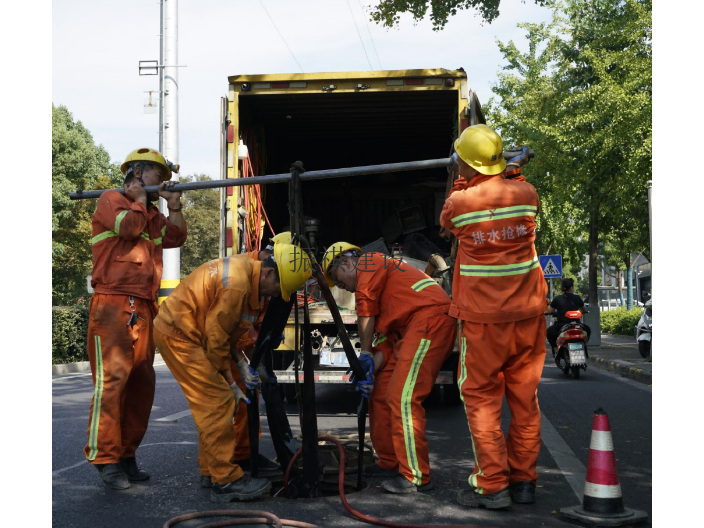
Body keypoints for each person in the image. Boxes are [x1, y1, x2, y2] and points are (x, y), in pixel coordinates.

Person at [440, 124, 548, 510]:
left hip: (484, 323)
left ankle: (493, 486)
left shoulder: (460, 203)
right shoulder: (527, 194)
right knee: (525, 402)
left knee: (483, 402)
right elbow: (511, 185)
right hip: (530, 318)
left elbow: (447, 222)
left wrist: (457, 177)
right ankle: (524, 483)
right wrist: (514, 169)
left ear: (464, 165)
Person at [153, 243, 311, 503]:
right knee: (218, 402)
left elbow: (228, 331)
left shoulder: (249, 279)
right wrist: (231, 382)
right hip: (180, 336)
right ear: (270, 274)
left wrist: (239, 362)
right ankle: (226, 481)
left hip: (191, 334)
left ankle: (210, 471)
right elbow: (216, 339)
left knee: (213, 405)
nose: (275, 296)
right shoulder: (238, 285)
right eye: (277, 289)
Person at [84, 148, 187, 490]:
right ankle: (105, 458)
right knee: (112, 384)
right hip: (112, 303)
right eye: (159, 175)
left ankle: (126, 454)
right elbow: (128, 228)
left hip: (143, 306)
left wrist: (174, 207)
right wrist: (140, 199)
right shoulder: (111, 200)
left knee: (142, 385)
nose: (163, 182)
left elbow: (177, 236)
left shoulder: (152, 214)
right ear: (139, 172)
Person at [321, 243, 456, 494]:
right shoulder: (388, 290)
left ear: (347, 263)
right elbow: (388, 341)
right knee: (381, 391)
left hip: (430, 321)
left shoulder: (369, 262)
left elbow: (366, 307)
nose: (341, 287)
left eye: (338, 280)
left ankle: (415, 475)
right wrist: (370, 370)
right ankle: (390, 461)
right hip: (411, 329)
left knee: (403, 398)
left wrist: (364, 352)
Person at [545, 277, 591, 363]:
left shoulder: (557, 299)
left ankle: (556, 349)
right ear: (571, 288)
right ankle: (584, 348)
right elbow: (584, 310)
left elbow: (548, 311)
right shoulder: (577, 298)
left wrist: (548, 313)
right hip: (577, 325)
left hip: (562, 326)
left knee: (549, 332)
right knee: (587, 329)